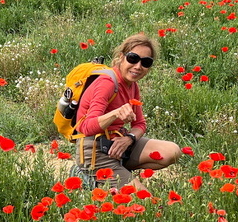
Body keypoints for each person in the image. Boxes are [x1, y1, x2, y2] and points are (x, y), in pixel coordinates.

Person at [74, 33, 180, 188]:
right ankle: (88, 175)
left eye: (146, 62)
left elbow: (140, 124)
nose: (138, 66)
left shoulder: (132, 85)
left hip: (117, 144)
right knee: (143, 201)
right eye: (133, 58)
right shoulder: (107, 83)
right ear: (121, 57)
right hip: (94, 150)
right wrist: (115, 113)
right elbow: (85, 127)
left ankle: (118, 173)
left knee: (172, 151)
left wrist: (129, 138)